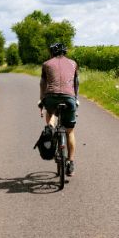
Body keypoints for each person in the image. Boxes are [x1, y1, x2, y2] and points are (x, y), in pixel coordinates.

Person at [39, 42, 79, 176]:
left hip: (51, 98)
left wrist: (41, 100)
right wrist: (75, 98)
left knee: (50, 112)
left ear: (52, 53)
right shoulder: (73, 63)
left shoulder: (46, 64)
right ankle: (71, 163)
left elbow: (42, 83)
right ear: (65, 52)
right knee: (70, 131)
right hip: (69, 98)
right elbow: (76, 83)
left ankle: (50, 127)